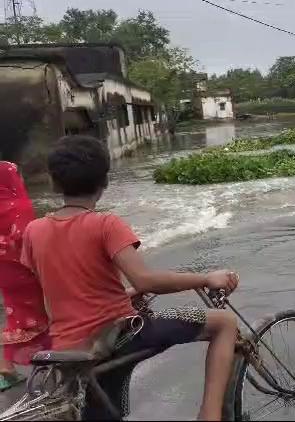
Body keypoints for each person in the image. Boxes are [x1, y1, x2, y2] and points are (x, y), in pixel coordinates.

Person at [21, 136, 239, 421]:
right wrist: (206, 278)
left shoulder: (34, 230)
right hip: (118, 337)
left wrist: (120, 296)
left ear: (54, 183)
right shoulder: (106, 224)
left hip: (67, 347)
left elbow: (56, 291)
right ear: (105, 183)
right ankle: (210, 415)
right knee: (225, 323)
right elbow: (145, 281)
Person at [0, 162, 49, 392]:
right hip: (21, 266)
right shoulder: (17, 206)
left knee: (15, 312)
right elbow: (27, 238)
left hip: (3, 270)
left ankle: (6, 365)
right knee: (41, 308)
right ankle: (51, 356)